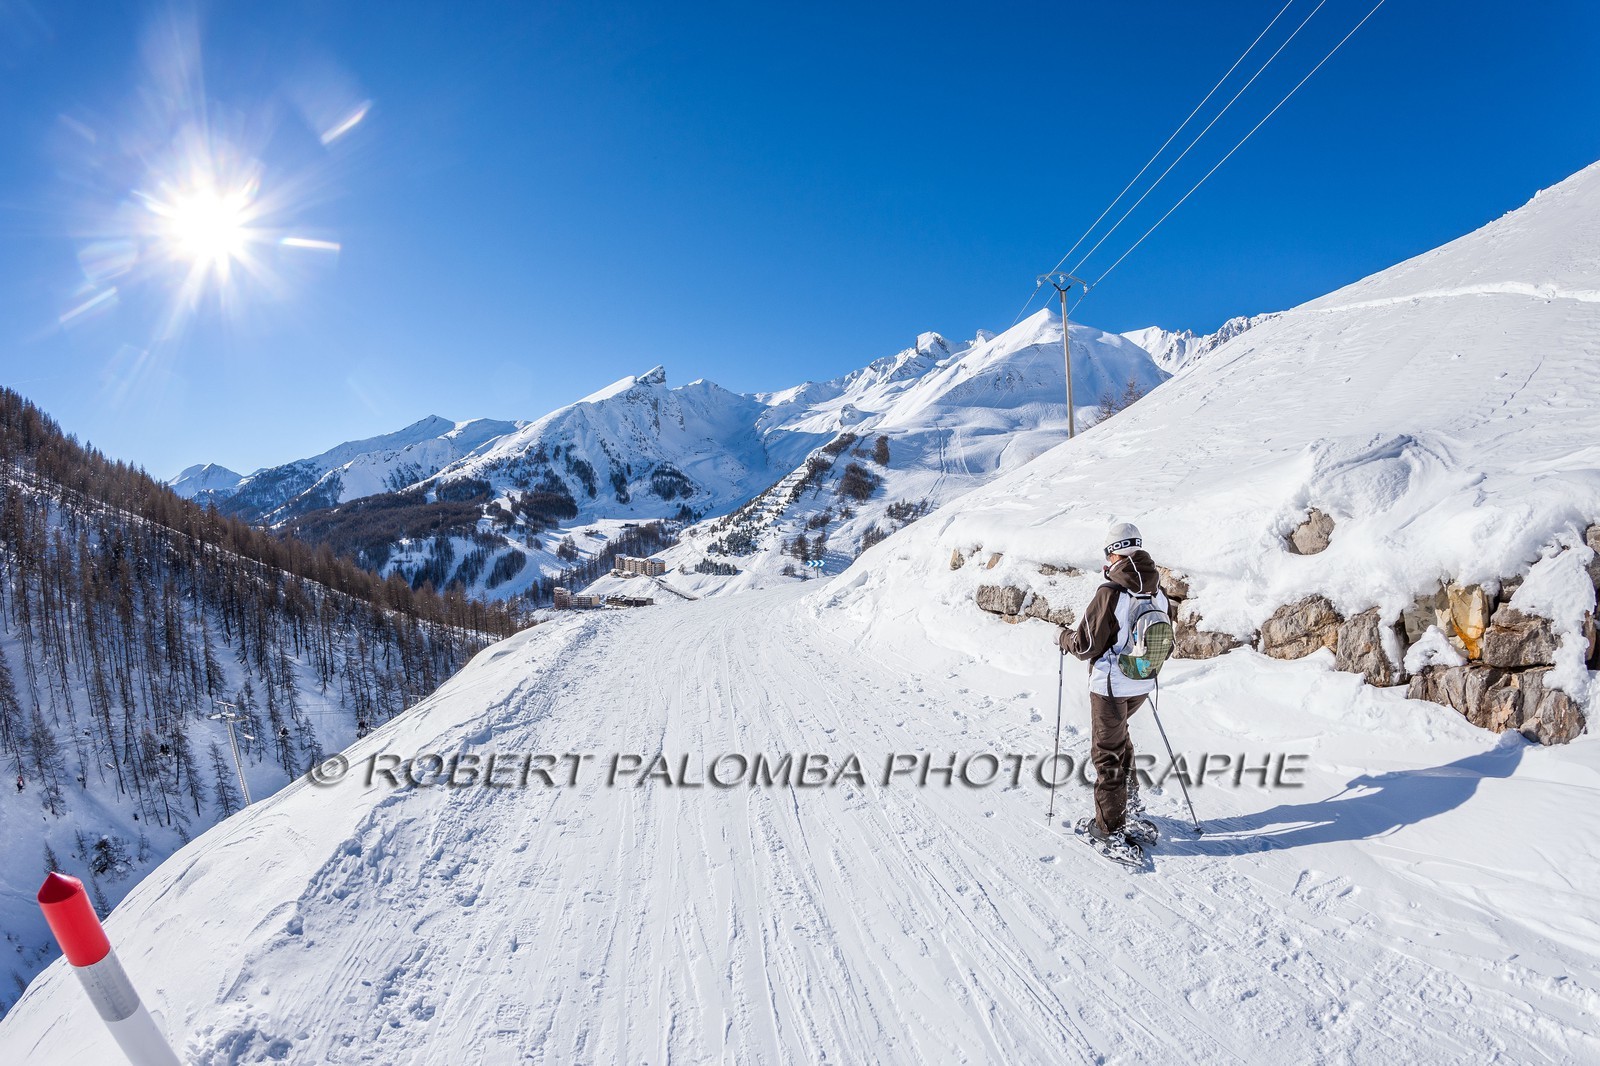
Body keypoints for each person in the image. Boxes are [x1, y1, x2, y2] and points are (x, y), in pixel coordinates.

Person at [1058, 521, 1169, 858]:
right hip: (1142, 681)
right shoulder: (1157, 590)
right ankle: (1129, 808)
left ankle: (1109, 829)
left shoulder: (1111, 592)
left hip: (1110, 686)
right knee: (1121, 744)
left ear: (1112, 552)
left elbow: (1085, 645)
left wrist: (1062, 637)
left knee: (1107, 754)